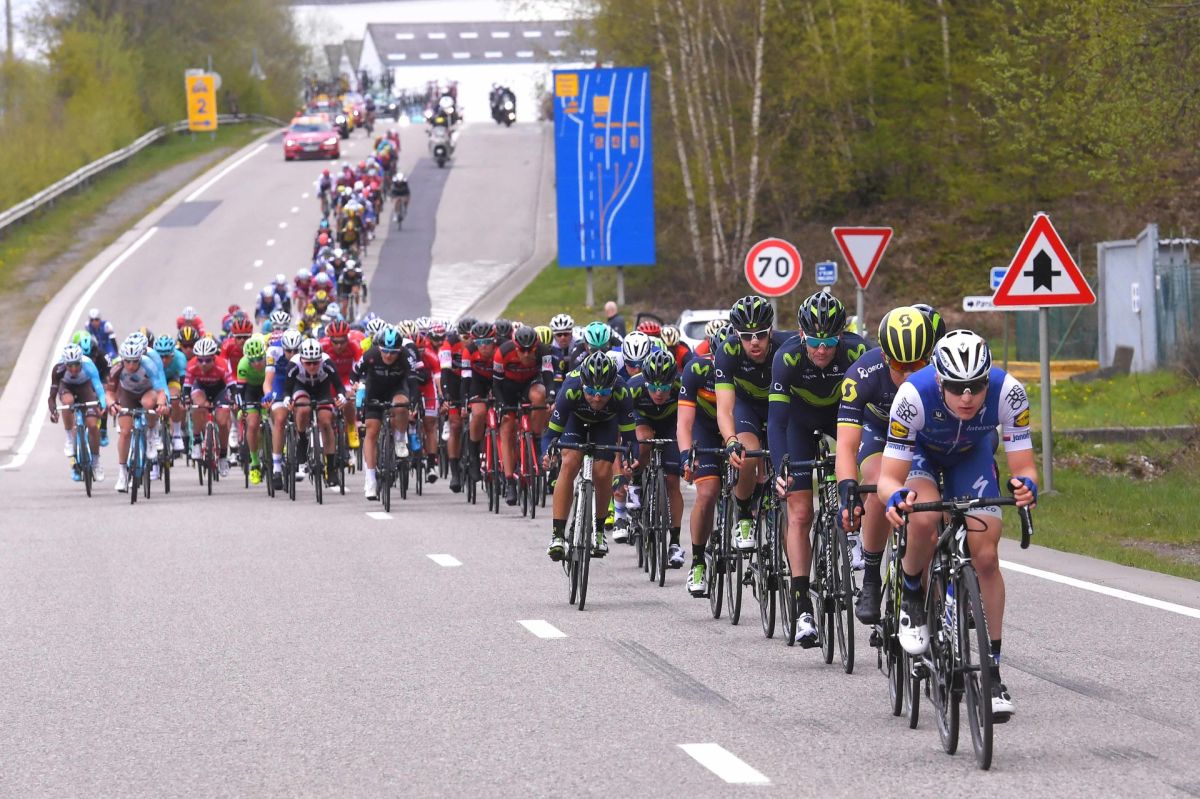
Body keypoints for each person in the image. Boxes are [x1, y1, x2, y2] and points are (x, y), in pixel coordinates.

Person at [877, 329, 1037, 720]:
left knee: (986, 557)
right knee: (924, 518)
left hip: (971, 456)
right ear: (939, 380)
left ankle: (992, 674)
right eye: (955, 387)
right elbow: (888, 478)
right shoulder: (913, 396)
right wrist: (895, 497)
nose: (967, 397)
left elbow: (1025, 467)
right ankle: (911, 593)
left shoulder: (1009, 393)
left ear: (987, 380)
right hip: (921, 455)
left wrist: (1026, 486)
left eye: (976, 386)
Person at [766, 291, 867, 648]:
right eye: (814, 342)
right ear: (801, 334)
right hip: (799, 421)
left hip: (843, 417)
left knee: (864, 468)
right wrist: (780, 467)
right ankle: (801, 606)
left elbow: (870, 414)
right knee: (800, 513)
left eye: (829, 342)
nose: (822, 350)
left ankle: (851, 531)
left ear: (841, 335)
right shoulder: (787, 357)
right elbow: (776, 422)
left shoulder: (857, 352)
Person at [835, 306, 941, 625]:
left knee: (937, 501)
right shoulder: (862, 374)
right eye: (898, 366)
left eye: (917, 365)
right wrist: (847, 490)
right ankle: (871, 578)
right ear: (884, 356)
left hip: (922, 433)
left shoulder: (941, 372)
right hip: (879, 431)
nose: (908, 375)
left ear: (930, 357)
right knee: (878, 485)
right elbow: (846, 445)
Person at [542, 352, 637, 561]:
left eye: (604, 392)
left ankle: (599, 531)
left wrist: (630, 459)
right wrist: (548, 454)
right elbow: (550, 435)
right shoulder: (570, 388)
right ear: (583, 385)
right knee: (569, 462)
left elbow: (631, 439)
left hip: (606, 424)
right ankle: (557, 535)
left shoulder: (622, 392)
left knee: (602, 473)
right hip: (575, 421)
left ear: (612, 387)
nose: (597, 397)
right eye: (591, 391)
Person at [677, 322, 728, 596]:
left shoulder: (751, 372)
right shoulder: (696, 369)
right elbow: (684, 423)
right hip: (705, 430)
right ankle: (697, 562)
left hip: (738, 427)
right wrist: (686, 455)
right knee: (708, 493)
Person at [627, 349, 685, 567]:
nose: (659, 393)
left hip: (671, 423)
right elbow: (622, 422)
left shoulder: (681, 386)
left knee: (673, 481)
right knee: (644, 441)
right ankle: (636, 483)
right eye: (653, 387)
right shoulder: (634, 387)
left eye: (664, 388)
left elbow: (691, 420)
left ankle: (675, 542)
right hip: (643, 419)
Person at [493, 325, 553, 506]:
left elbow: (548, 376)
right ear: (515, 346)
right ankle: (510, 481)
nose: (526, 354)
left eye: (530, 350)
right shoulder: (502, 352)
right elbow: (496, 384)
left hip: (530, 383)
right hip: (508, 387)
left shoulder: (543, 350)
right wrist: (502, 405)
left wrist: (551, 396)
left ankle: (535, 438)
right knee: (507, 426)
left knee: (540, 396)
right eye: (522, 350)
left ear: (536, 347)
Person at [354, 327, 414, 501]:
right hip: (375, 391)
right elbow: (354, 373)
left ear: (399, 350)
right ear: (379, 349)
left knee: (401, 406)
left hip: (397, 389)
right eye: (385, 351)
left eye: (393, 352)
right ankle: (370, 479)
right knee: (372, 431)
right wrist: (356, 386)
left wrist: (414, 401)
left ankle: (400, 439)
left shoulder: (405, 356)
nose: (388, 356)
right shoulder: (370, 355)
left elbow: (414, 381)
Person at [107, 335, 169, 492]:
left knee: (149, 404)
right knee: (125, 433)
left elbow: (160, 390)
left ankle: (152, 433)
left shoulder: (149, 364)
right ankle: (122, 473)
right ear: (123, 359)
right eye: (127, 361)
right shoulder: (117, 367)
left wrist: (161, 404)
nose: (131, 365)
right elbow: (110, 392)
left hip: (147, 392)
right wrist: (112, 404)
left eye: (135, 361)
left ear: (140, 358)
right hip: (128, 395)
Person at [48, 343, 107, 482]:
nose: (74, 369)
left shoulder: (89, 365)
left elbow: (98, 387)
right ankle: (70, 438)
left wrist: (103, 404)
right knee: (67, 402)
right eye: (70, 366)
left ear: (81, 361)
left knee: (93, 425)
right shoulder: (58, 369)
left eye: (77, 365)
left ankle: (96, 462)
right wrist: (53, 411)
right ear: (65, 364)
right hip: (66, 387)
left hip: (85, 387)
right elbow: (52, 396)